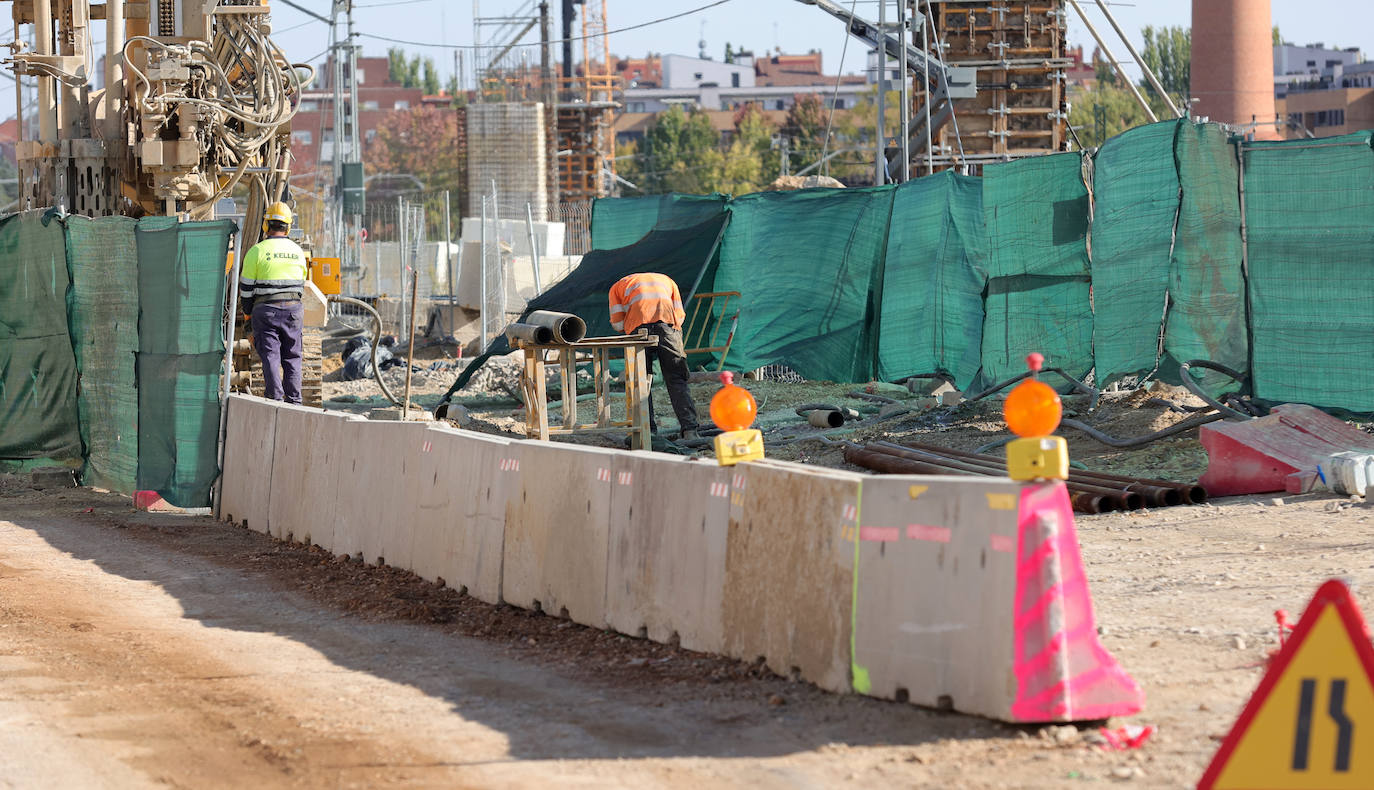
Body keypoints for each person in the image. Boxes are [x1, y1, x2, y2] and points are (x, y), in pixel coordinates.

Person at [609, 272, 700, 440]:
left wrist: (634, 324)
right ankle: (690, 431)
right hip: (667, 326)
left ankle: (648, 432)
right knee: (677, 379)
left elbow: (617, 324)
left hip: (637, 330)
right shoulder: (668, 281)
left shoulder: (617, 287)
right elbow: (679, 316)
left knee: (641, 382)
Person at [239, 202, 308, 404]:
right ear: (288, 226)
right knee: (293, 356)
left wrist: (249, 316)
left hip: (265, 310)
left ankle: (275, 399)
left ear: (266, 225)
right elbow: (300, 285)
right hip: (294, 310)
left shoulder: (257, 251)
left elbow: (246, 289)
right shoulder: (298, 252)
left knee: (271, 355)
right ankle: (295, 401)